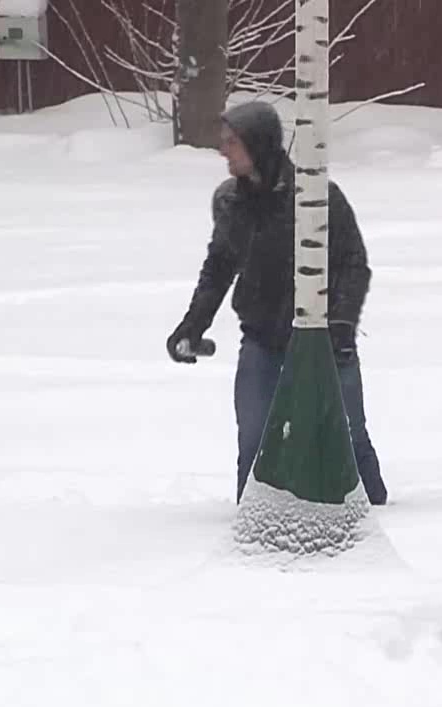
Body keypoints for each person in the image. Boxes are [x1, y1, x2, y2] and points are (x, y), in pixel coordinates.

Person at [165, 101, 388, 507]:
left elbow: (353, 265)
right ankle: (253, 519)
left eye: (232, 142)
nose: (223, 150)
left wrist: (340, 327)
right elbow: (218, 269)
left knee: (349, 434)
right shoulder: (231, 203)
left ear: (258, 143)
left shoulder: (316, 198)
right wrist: (192, 326)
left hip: (325, 341)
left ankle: (374, 514)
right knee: (254, 439)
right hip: (262, 340)